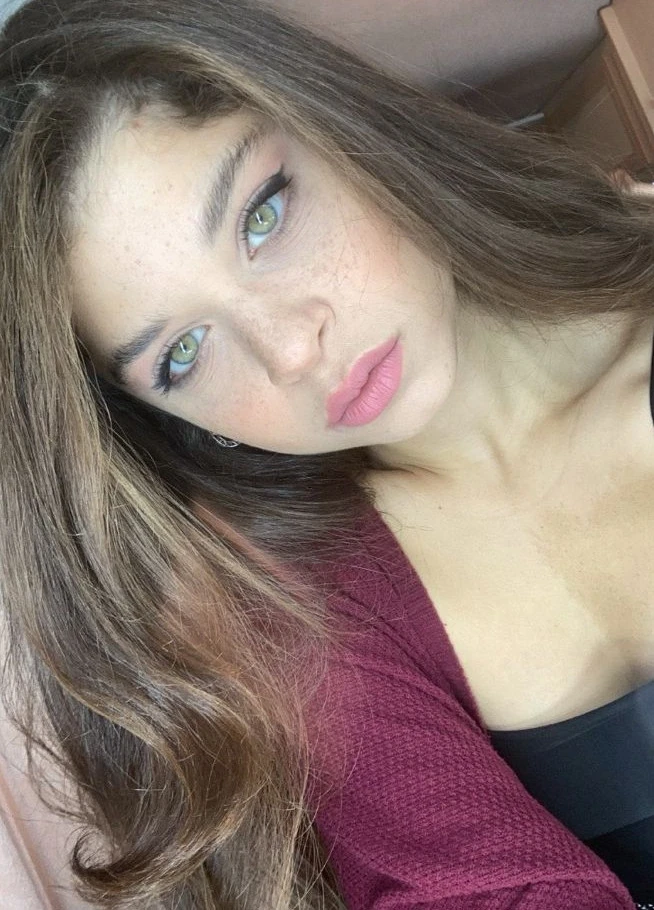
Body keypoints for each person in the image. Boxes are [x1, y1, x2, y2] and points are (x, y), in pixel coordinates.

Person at [0, 1, 653, 908]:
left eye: (263, 216)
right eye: (182, 353)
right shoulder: (307, 624)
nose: (292, 349)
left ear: (339, 127)